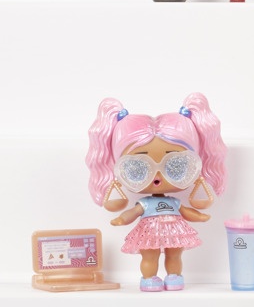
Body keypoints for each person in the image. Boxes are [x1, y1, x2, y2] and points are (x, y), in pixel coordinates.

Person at [86, 93, 227, 291]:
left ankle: (174, 277)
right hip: (149, 233)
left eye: (176, 166)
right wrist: (121, 219)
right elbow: (133, 213)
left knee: (175, 254)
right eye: (138, 168)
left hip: (175, 232)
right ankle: (149, 278)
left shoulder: (174, 203)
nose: (158, 176)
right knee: (149, 256)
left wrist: (199, 216)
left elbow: (186, 212)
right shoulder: (145, 204)